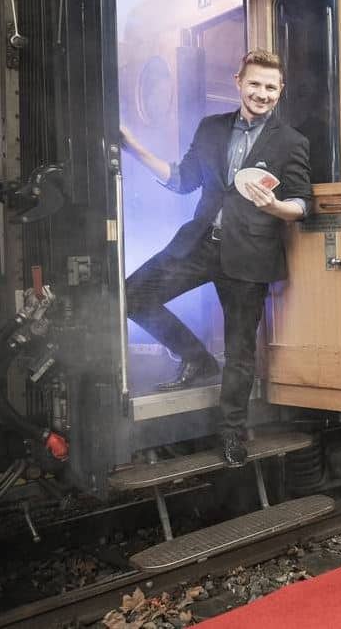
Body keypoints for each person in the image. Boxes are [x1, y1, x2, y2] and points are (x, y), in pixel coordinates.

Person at [121, 49, 312, 467]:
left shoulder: (291, 142)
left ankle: (231, 434)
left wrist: (276, 207)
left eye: (270, 87)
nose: (261, 93)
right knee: (132, 296)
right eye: (254, 83)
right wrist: (132, 148)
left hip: (251, 254)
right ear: (238, 82)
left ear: (280, 91)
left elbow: (302, 202)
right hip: (199, 243)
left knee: (240, 350)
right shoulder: (210, 128)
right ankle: (196, 358)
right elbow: (183, 179)